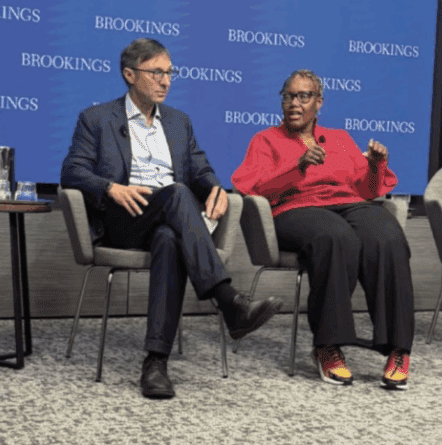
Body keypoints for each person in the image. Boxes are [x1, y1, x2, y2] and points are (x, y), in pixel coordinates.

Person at [60, 38, 283, 399]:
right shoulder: (97, 119)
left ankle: (155, 363)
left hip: (168, 219)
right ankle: (228, 300)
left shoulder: (179, 122)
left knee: (168, 236)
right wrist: (110, 188)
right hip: (125, 219)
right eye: (156, 73)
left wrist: (213, 186)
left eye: (169, 73)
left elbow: (200, 167)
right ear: (130, 75)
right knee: (178, 193)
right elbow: (72, 170)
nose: (165, 81)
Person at [231, 69, 415, 389]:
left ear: (319, 102)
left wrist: (375, 165)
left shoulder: (340, 139)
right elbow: (253, 187)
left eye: (303, 96)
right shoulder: (265, 140)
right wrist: (298, 165)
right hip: (294, 209)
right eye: (288, 95)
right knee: (335, 236)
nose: (294, 103)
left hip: (348, 204)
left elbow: (367, 189)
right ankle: (328, 346)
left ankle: (398, 349)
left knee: (387, 235)